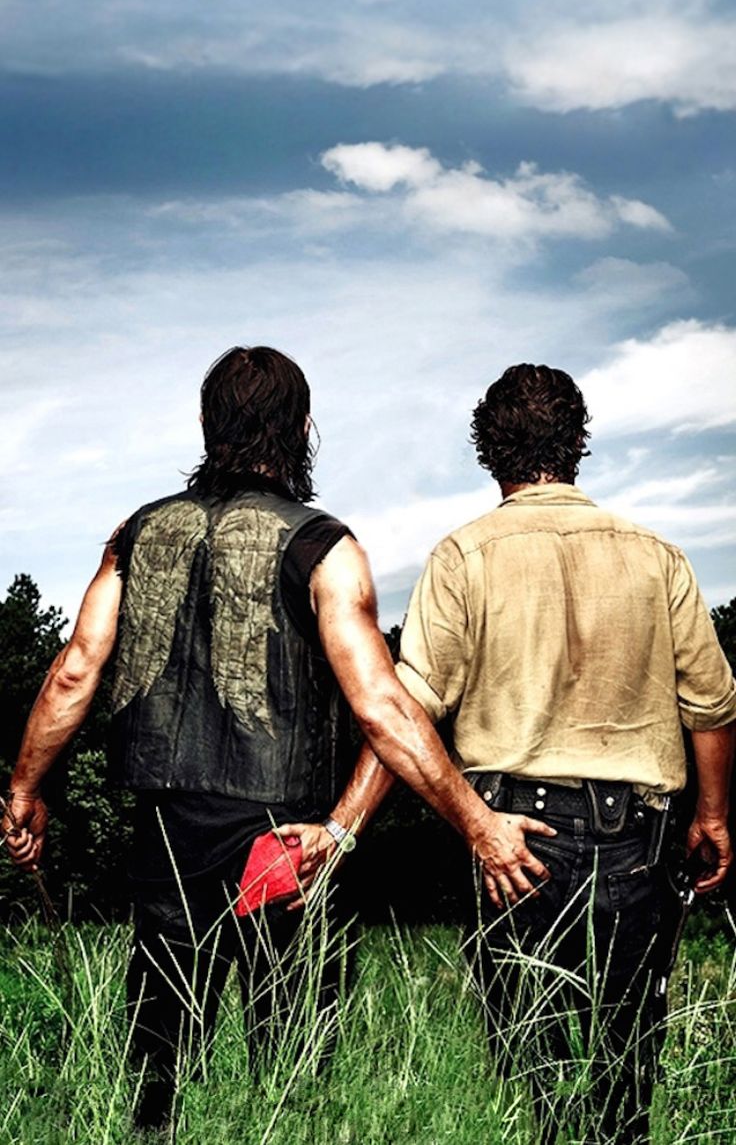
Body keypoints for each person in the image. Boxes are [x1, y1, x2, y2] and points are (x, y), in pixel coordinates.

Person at [3, 345, 554, 1133]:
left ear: (206, 423)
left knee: (158, 1078)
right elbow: (383, 706)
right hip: (288, 847)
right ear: (302, 429)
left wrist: (25, 789)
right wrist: (480, 825)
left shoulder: (136, 534)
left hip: (169, 837)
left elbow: (74, 670)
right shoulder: (325, 545)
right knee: (291, 1085)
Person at [395, 362, 736, 1144]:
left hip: (512, 841)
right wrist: (713, 814)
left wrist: (473, 822)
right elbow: (714, 702)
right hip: (636, 840)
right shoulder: (657, 554)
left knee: (531, 1081)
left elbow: (407, 711)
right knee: (624, 1075)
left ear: (489, 448)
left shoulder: (462, 555)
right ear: (578, 442)